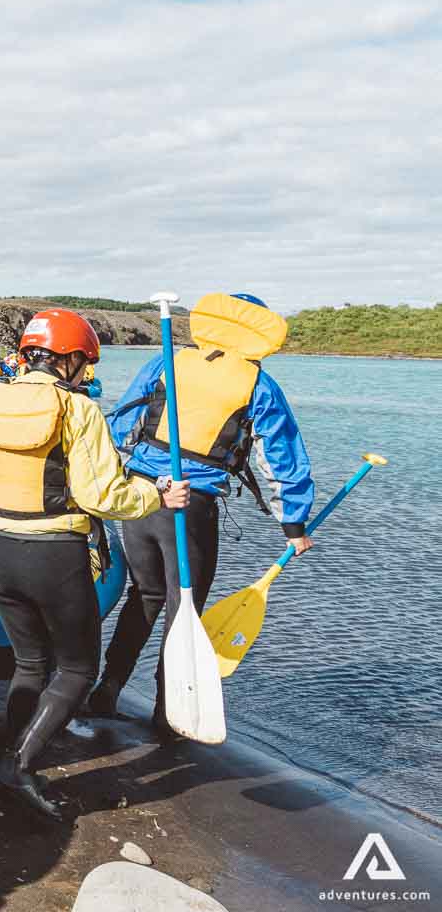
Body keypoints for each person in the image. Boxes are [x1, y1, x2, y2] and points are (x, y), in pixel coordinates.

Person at [0, 309, 189, 819]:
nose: (86, 373)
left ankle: (15, 755)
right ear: (65, 359)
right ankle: (16, 764)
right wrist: (157, 495)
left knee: (29, 662)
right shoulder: (77, 411)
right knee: (79, 670)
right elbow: (100, 494)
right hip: (54, 554)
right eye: (84, 362)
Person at [88, 292, 314, 729]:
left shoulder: (167, 362)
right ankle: (167, 711)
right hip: (189, 504)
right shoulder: (257, 384)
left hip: (139, 497)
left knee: (146, 596)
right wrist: (294, 524)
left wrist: (112, 486)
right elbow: (282, 457)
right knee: (182, 607)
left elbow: (120, 426)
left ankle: (108, 689)